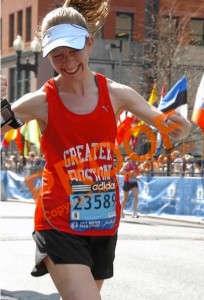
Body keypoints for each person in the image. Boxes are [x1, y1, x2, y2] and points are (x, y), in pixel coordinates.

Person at [0, 0, 191, 299]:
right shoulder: (40, 101)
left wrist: (183, 127)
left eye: (73, 51)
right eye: (57, 55)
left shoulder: (117, 94)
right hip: (58, 221)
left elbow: (170, 126)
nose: (67, 62)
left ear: (89, 43)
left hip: (103, 223)